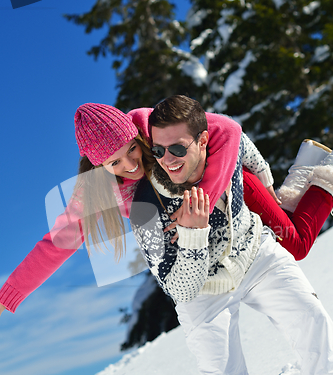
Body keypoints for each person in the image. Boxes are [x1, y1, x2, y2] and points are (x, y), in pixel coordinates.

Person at [128, 95, 333, 375]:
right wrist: (192, 236)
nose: (166, 158)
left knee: (312, 320)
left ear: (204, 141)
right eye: (157, 149)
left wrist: (269, 190)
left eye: (177, 147)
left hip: (253, 252)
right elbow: (181, 289)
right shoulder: (144, 205)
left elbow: (248, 151)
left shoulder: (226, 147)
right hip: (202, 293)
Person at [0, 102, 333, 316]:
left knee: (297, 244)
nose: (131, 164)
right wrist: (8, 295)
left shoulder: (157, 126)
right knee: (288, 230)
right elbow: (57, 243)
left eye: (132, 149)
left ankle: (327, 174)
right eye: (115, 162)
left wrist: (202, 195)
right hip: (209, 225)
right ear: (98, 165)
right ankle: (307, 169)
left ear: (136, 136)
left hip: (234, 186)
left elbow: (229, 131)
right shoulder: (96, 191)